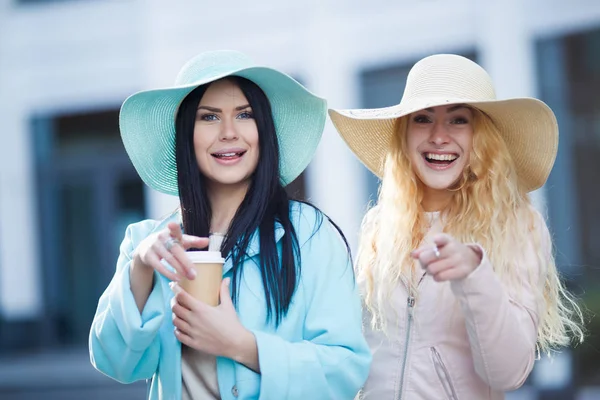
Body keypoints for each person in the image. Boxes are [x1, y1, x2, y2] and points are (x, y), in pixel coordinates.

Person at [89, 50, 371, 400]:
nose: (228, 132)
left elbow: (346, 371)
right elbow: (116, 364)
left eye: (245, 114)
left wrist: (243, 347)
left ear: (263, 130)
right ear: (186, 135)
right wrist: (141, 270)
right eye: (208, 117)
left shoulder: (309, 234)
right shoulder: (149, 243)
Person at [328, 54, 584, 399]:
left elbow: (509, 372)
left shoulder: (516, 224)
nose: (438, 136)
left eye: (458, 120)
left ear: (482, 136)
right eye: (422, 119)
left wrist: (474, 276)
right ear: (404, 134)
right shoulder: (380, 223)